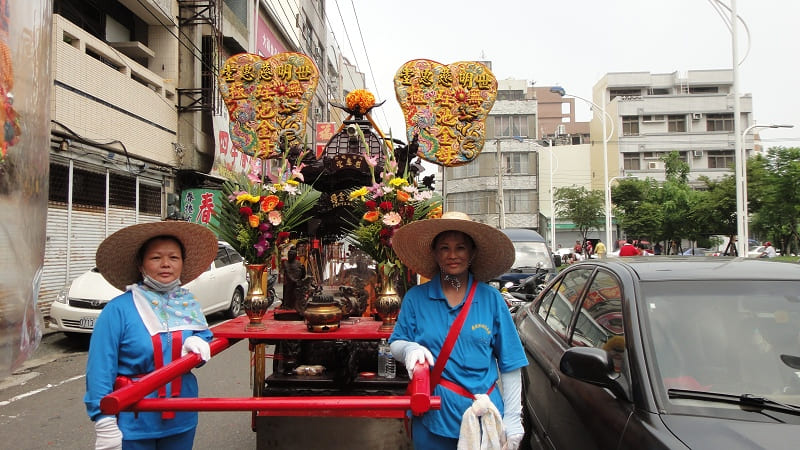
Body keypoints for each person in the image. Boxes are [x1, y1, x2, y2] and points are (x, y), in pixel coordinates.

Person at [389, 211, 528, 450]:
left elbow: (511, 363)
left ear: (472, 253)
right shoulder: (416, 298)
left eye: (460, 248)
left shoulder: (492, 299)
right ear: (434, 253)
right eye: (444, 248)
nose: (452, 255)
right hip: (433, 417)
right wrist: (409, 349)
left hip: (485, 418)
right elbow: (396, 343)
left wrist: (513, 417)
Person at [85, 221, 218, 450]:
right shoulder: (118, 310)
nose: (165, 264)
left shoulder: (187, 303)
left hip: (182, 416)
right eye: (156, 258)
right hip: (134, 420)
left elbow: (204, 338)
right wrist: (103, 419)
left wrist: (199, 343)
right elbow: (100, 368)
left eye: (174, 258)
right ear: (141, 264)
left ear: (182, 264)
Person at [281, 246, 306, 311]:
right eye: (289, 255)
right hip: (290, 282)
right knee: (288, 291)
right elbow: (288, 274)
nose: (290, 256)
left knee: (299, 292)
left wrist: (303, 271)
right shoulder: (286, 263)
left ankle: (298, 305)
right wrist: (294, 280)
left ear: (294, 256)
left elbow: (302, 273)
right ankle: (287, 305)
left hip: (297, 281)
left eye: (292, 255)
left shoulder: (298, 263)